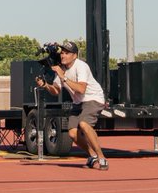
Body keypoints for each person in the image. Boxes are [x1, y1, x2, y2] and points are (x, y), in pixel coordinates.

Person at [35, 40, 109, 169]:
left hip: (93, 98)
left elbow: (81, 89)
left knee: (84, 124)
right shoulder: (62, 70)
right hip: (78, 102)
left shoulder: (81, 66)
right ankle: (92, 156)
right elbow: (56, 90)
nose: (63, 55)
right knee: (72, 133)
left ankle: (102, 158)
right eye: (62, 53)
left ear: (74, 55)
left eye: (67, 53)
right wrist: (45, 85)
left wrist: (63, 77)